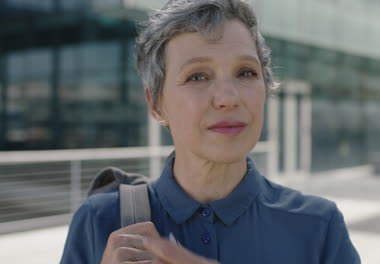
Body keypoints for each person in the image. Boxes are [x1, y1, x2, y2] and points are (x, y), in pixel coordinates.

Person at [60, 0, 361, 263]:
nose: (229, 98)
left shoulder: (318, 227)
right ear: (156, 104)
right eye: (197, 76)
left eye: (246, 72)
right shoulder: (99, 222)